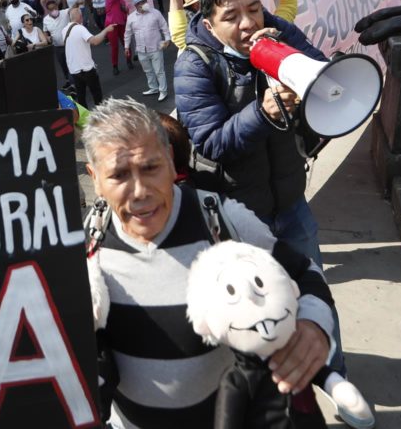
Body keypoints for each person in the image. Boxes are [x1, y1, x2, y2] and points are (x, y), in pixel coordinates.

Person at [172, 0, 372, 422]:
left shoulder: (277, 31)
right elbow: (211, 141)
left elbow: (323, 78)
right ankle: (270, 396)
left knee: (316, 295)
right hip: (240, 217)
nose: (248, 25)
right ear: (209, 23)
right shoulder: (194, 63)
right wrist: (261, 113)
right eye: (232, 16)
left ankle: (335, 382)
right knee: (254, 309)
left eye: (253, 9)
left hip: (290, 203)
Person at [82, 98, 334, 428]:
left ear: (171, 162)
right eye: (118, 175)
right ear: (95, 179)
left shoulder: (221, 219)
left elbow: (304, 270)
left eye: (150, 167)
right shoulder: (86, 243)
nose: (139, 191)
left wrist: (314, 326)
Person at [62, 7, 115, 108]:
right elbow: (95, 41)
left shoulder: (64, 30)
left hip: (74, 69)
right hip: (86, 68)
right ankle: (100, 117)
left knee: (81, 96)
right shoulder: (80, 28)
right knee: (97, 95)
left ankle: (85, 118)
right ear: (80, 17)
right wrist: (106, 30)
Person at [124, 0, 171, 101]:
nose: (145, 3)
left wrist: (167, 39)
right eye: (142, 2)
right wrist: (126, 47)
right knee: (148, 71)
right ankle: (153, 88)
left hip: (155, 47)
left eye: (145, 1)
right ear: (136, 5)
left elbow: (164, 26)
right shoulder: (131, 18)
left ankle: (163, 91)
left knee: (159, 71)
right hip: (141, 50)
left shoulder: (155, 13)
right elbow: (128, 33)